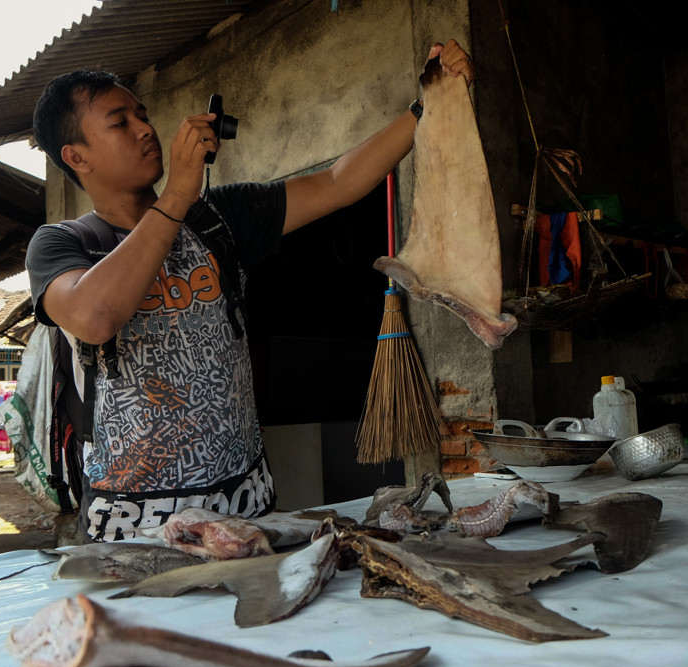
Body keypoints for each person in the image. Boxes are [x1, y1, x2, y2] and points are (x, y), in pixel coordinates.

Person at [27, 40, 475, 542]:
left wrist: (427, 106)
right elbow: (94, 315)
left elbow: (337, 182)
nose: (146, 128)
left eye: (142, 113)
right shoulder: (62, 245)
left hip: (247, 507)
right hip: (135, 525)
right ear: (76, 156)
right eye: (119, 122)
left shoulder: (222, 218)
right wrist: (178, 194)